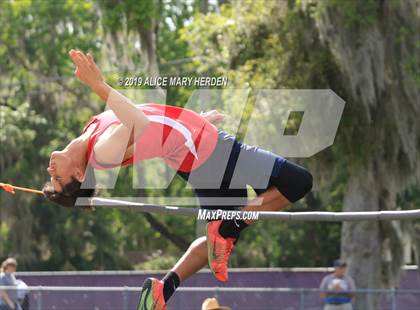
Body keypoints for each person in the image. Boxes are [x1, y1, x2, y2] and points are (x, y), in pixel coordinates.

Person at [43, 49, 313, 310]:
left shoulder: (91, 133)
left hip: (192, 154)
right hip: (209, 152)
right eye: (57, 177)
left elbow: (152, 120)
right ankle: (229, 227)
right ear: (79, 174)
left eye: (50, 176)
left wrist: (195, 121)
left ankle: (163, 290)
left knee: (223, 229)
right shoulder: (101, 151)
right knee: (298, 182)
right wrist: (98, 85)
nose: (50, 170)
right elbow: (139, 122)